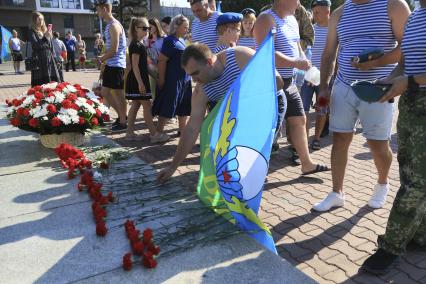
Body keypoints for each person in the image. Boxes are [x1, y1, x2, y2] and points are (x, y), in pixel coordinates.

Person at [313, 0, 411, 212]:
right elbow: (329, 52)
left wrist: (376, 63)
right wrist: (323, 87)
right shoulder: (339, 13)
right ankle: (337, 192)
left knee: (377, 144)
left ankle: (382, 183)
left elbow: (408, 47)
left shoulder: (394, 6)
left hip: (379, 87)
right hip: (343, 85)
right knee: (339, 138)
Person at [156, 43, 285, 183]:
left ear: (209, 62)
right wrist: (172, 167)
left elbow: (277, 81)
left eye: (195, 73)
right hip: (238, 115)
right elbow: (191, 129)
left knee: (252, 154)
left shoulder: (239, 56)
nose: (194, 80)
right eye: (190, 76)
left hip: (269, 103)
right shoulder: (202, 90)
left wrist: (241, 98)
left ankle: (253, 178)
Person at [361, 2, 426, 274]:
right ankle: (420, 235)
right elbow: (405, 62)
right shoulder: (415, 17)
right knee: (413, 174)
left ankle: (391, 246)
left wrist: (409, 81)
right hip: (412, 105)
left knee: (417, 181)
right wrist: (389, 81)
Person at [256, 0, 329, 176]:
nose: (298, 2)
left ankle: (306, 164)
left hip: (290, 82)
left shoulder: (292, 20)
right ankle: (256, 172)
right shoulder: (265, 19)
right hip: (270, 83)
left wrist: (308, 68)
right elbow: (266, 52)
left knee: (299, 120)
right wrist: (295, 62)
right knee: (268, 129)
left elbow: (298, 48)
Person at [125, 17, 169, 143]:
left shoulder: (138, 44)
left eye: (148, 28)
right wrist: (140, 83)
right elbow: (134, 65)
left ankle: (129, 133)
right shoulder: (136, 45)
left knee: (136, 105)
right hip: (138, 80)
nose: (147, 31)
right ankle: (154, 134)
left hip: (138, 79)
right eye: (144, 28)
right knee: (147, 106)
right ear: (135, 28)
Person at [152, 15, 192, 137]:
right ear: (176, 26)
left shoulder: (181, 40)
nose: (187, 30)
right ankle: (157, 134)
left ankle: (182, 130)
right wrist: (162, 79)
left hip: (184, 79)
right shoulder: (170, 40)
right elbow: (161, 60)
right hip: (173, 79)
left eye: (188, 27)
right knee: (168, 105)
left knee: (183, 106)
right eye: (185, 27)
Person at [300, 0, 330, 151]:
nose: (314, 15)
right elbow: (305, 53)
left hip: (325, 80)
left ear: (327, 11)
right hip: (308, 78)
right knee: (303, 110)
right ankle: (304, 141)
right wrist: (310, 74)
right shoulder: (310, 29)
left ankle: (316, 138)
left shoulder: (335, 30)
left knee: (322, 110)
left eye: (317, 12)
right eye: (313, 12)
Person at [96, 0, 128, 132]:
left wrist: (101, 58)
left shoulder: (113, 25)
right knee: (106, 92)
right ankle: (122, 117)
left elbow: (114, 49)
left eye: (98, 10)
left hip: (116, 65)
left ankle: (123, 121)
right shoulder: (110, 25)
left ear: (104, 9)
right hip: (112, 65)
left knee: (119, 94)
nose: (97, 12)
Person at [29, 12, 61, 87]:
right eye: (39, 19)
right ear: (34, 20)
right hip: (39, 59)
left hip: (49, 58)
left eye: (42, 19)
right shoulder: (32, 31)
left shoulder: (45, 31)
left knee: (52, 83)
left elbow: (51, 47)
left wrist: (56, 60)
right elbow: (35, 45)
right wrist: (45, 38)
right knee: (41, 84)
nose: (41, 21)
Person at [147, 18, 166, 98]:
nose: (148, 29)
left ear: (156, 26)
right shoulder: (147, 40)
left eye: (150, 27)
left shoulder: (164, 38)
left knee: (164, 91)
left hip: (163, 68)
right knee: (154, 93)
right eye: (147, 28)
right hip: (152, 70)